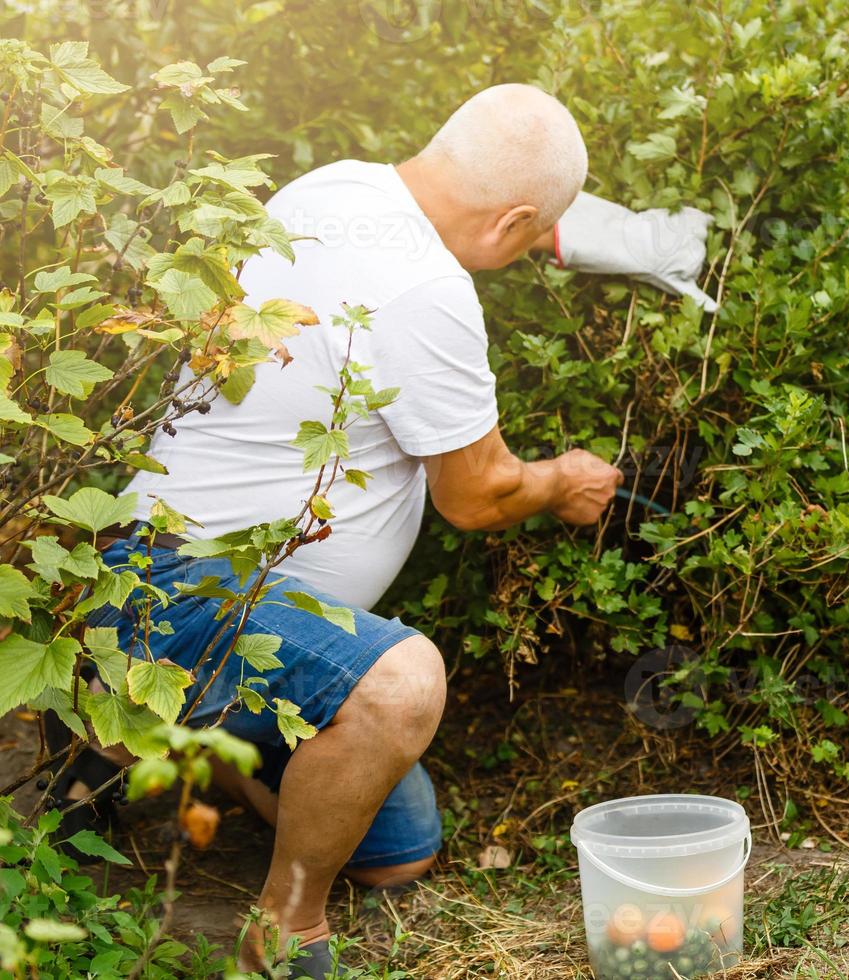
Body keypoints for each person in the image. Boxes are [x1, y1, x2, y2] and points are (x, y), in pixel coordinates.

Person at [80, 84, 718, 976]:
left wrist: (587, 234)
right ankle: (285, 927)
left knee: (399, 850)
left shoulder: (334, 189)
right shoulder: (428, 292)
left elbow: (501, 211)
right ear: (513, 220)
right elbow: (479, 495)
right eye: (532, 234)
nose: (534, 250)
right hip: (182, 599)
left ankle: (219, 755)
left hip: (195, 590)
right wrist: (562, 480)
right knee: (404, 684)